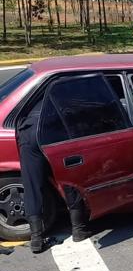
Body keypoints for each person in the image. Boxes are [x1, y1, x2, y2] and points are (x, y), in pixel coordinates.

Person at [16, 104, 91, 254]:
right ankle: (78, 229)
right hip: (52, 128)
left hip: (29, 129)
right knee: (68, 176)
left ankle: (36, 239)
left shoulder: (36, 87)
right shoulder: (63, 84)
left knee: (32, 185)